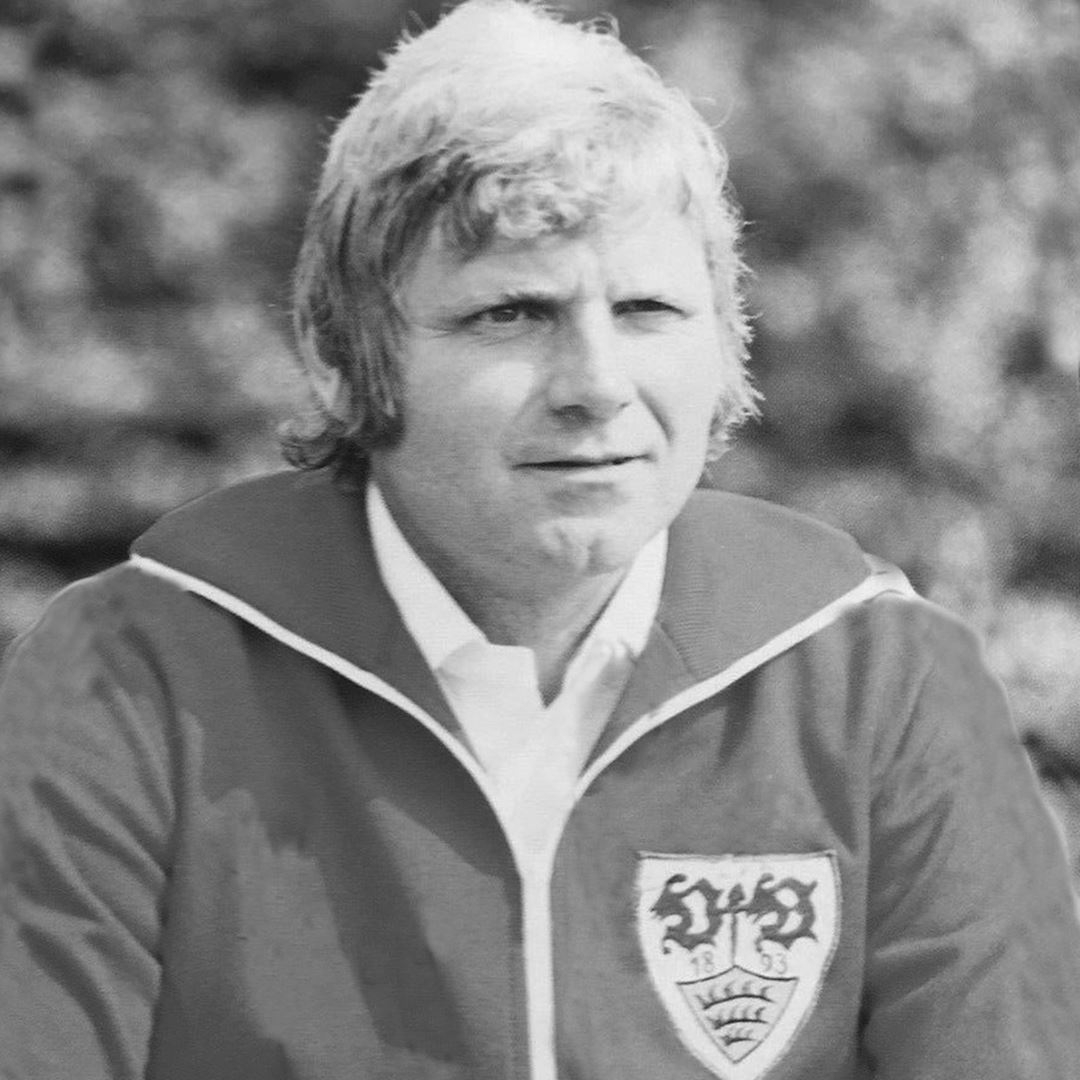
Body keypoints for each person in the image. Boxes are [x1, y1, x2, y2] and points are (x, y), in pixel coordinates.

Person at [2, 2, 1078, 1078]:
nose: (598, 386)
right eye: (511, 313)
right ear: (339, 356)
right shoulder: (127, 679)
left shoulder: (882, 681)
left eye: (649, 309)